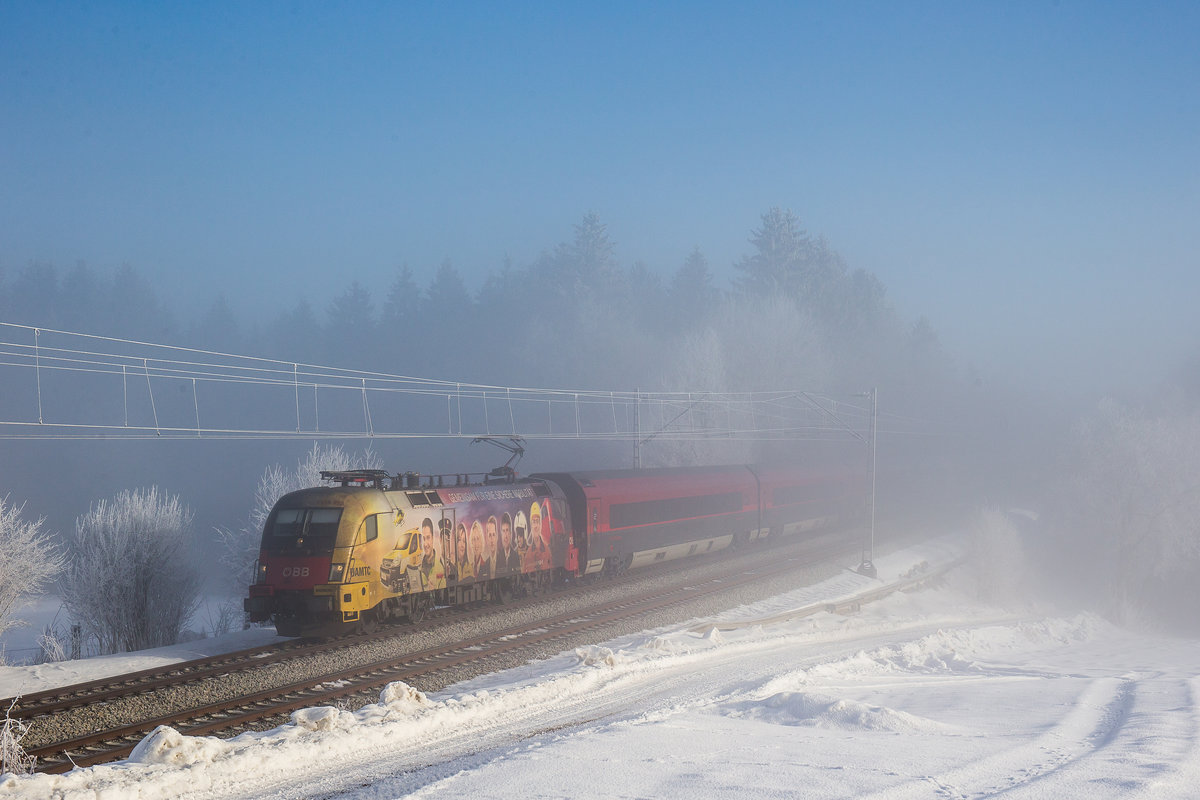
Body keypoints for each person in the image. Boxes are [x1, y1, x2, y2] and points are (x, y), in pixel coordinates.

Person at [418, 517, 446, 590]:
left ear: (433, 538)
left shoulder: (440, 568)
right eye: (424, 539)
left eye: (428, 538)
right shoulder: (419, 567)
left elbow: (443, 592)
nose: (425, 544)